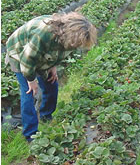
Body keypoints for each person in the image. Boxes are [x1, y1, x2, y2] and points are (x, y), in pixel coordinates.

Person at [5, 11, 97, 142]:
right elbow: (27, 60)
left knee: (52, 84)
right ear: (69, 34)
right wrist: (31, 80)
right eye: (75, 44)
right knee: (29, 92)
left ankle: (46, 116)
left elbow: (59, 51)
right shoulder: (44, 34)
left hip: (39, 55)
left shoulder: (69, 38)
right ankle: (30, 134)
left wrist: (53, 66)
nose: (75, 47)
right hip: (19, 54)